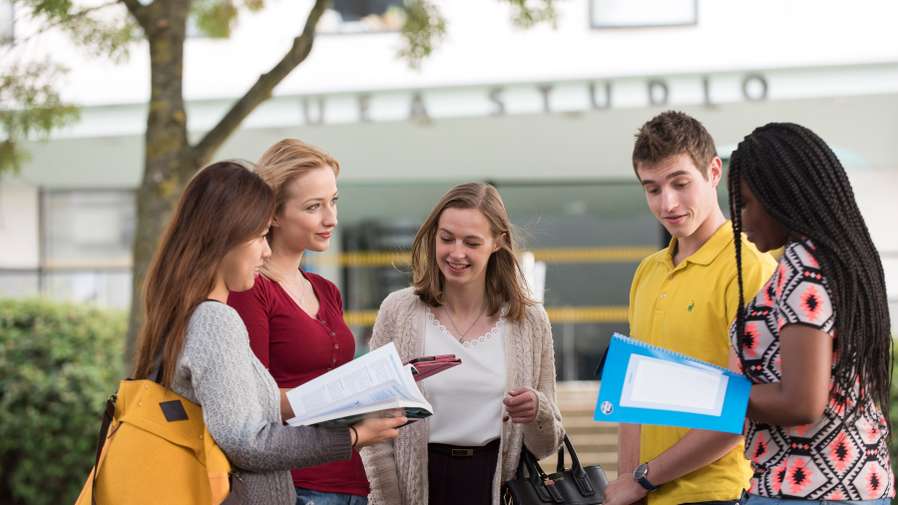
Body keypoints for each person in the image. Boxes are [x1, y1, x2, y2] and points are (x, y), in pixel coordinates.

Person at [130, 160, 405, 505]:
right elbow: (249, 441)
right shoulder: (216, 321)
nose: (266, 251)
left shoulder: (184, 314)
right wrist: (351, 436)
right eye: (260, 236)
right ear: (225, 237)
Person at [604, 111, 777, 505]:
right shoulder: (647, 272)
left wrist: (642, 479)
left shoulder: (750, 269)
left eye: (681, 183)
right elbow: (631, 389)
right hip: (645, 494)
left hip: (720, 494)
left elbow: (741, 412)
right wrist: (628, 482)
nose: (668, 203)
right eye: (652, 189)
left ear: (714, 171)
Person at [360, 182, 564, 505]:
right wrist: (388, 499)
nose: (456, 253)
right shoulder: (398, 311)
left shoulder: (529, 320)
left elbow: (546, 445)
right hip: (419, 487)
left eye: (471, 242)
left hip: (493, 485)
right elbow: (374, 425)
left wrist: (536, 410)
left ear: (498, 243)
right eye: (446, 238)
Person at [727, 122, 893, 503]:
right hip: (855, 486)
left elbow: (802, 401)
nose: (740, 219)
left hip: (805, 490)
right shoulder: (843, 259)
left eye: (745, 203)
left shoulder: (804, 263)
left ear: (780, 196)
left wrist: (713, 393)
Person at [228, 139, 372, 505]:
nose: (331, 219)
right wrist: (343, 398)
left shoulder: (325, 290)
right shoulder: (250, 290)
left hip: (351, 480)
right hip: (294, 485)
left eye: (333, 201)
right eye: (314, 207)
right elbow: (250, 404)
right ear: (273, 213)